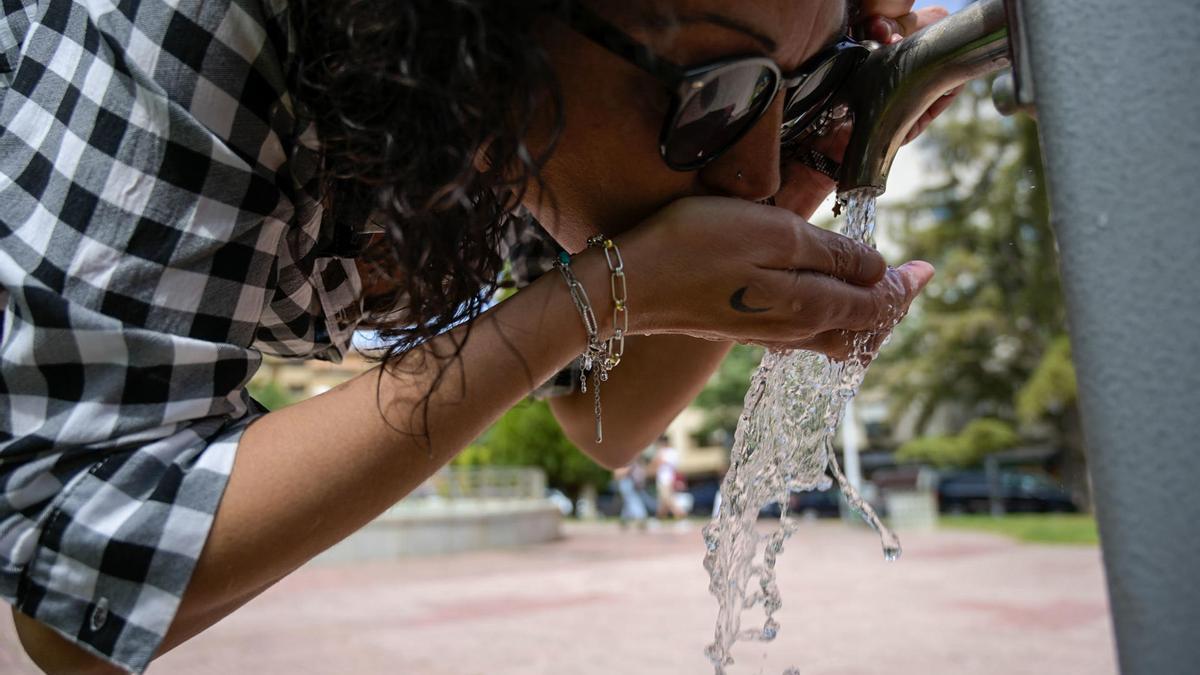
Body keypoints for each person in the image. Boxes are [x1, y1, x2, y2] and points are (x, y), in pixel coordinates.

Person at [1, 0, 955, 671]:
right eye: (718, 95)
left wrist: (800, 183)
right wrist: (590, 298)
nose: (753, 165)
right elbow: (83, 573)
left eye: (795, 88)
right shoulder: (192, 21)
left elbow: (605, 419)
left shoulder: (505, 113)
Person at [651, 436, 687, 520]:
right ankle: (660, 517)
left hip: (666, 479)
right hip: (661, 478)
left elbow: (660, 462)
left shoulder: (670, 452)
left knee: (667, 498)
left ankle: (681, 514)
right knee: (662, 500)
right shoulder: (662, 452)